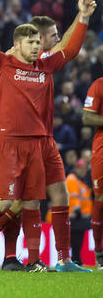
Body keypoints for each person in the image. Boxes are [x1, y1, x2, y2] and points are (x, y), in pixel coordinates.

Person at [0, 0, 95, 272]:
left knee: (35, 199)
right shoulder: (1, 63)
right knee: (7, 200)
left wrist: (84, 17)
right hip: (9, 142)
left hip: (39, 141)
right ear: (17, 44)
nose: (36, 47)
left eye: (37, 42)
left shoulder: (45, 65)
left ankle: (41, 261)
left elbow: (71, 50)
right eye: (30, 43)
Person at [83, 76, 103, 270]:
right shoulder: (98, 85)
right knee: (100, 198)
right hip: (102, 149)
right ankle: (99, 255)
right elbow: (87, 117)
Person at [63, 160, 93, 265]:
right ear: (76, 169)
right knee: (75, 240)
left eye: (85, 169)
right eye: (81, 169)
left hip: (81, 216)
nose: (83, 171)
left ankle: (77, 259)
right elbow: (73, 197)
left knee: (78, 239)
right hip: (75, 215)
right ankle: (76, 259)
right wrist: (77, 210)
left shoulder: (80, 180)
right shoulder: (72, 179)